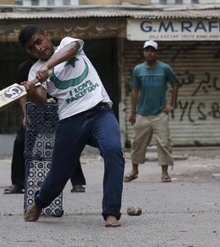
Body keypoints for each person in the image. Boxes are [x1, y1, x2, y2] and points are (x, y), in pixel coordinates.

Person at [18, 26, 124, 228]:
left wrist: (47, 68)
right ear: (29, 52)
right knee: (60, 172)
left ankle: (111, 212)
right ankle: (40, 202)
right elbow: (41, 100)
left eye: (39, 41)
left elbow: (73, 49)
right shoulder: (34, 71)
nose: (38, 49)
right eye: (32, 48)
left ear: (47, 35)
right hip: (70, 120)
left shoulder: (67, 43)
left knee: (113, 151)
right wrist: (31, 91)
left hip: (100, 112)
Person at [5, 57, 87, 195]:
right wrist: (26, 113)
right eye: (31, 48)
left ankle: (77, 182)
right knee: (20, 141)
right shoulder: (24, 68)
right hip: (36, 109)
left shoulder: (58, 63)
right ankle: (18, 183)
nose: (37, 50)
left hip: (59, 108)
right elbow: (21, 93)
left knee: (68, 142)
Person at [125, 40, 179, 183]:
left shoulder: (164, 68)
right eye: (147, 50)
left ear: (156, 52)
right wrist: (133, 112)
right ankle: (134, 170)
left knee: (164, 143)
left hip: (160, 114)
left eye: (152, 50)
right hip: (142, 114)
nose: (149, 52)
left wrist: (172, 105)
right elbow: (134, 91)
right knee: (137, 143)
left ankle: (165, 173)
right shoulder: (138, 70)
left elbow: (175, 84)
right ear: (144, 52)